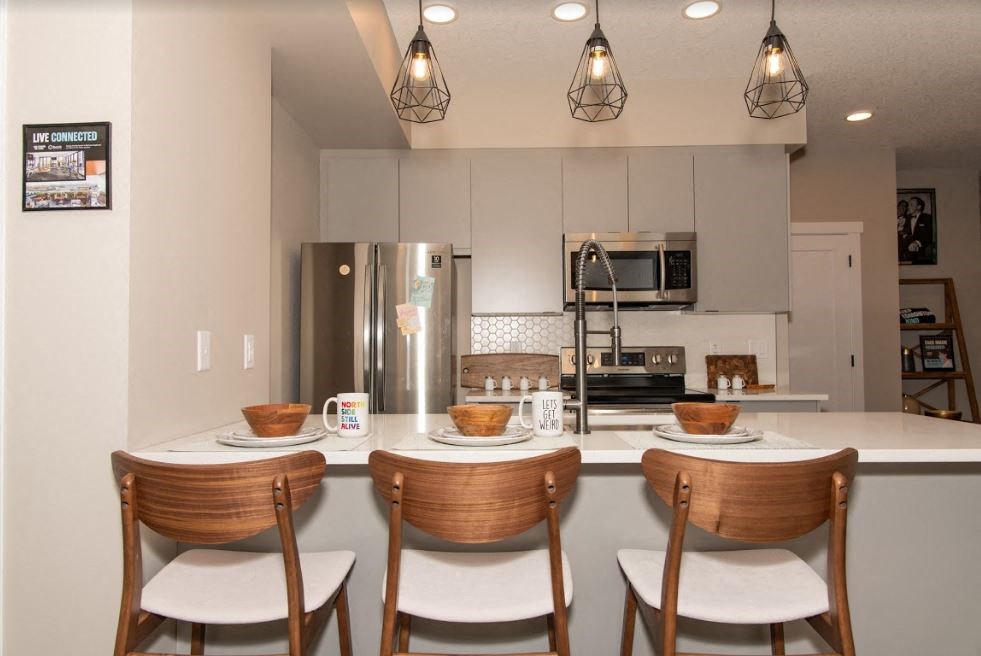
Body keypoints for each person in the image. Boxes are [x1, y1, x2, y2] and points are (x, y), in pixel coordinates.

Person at [905, 196, 934, 264]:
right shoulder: (906, 218)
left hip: (923, 253)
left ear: (919, 207)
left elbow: (929, 234)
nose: (908, 207)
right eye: (909, 205)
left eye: (911, 205)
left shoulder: (927, 218)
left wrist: (917, 243)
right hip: (907, 254)